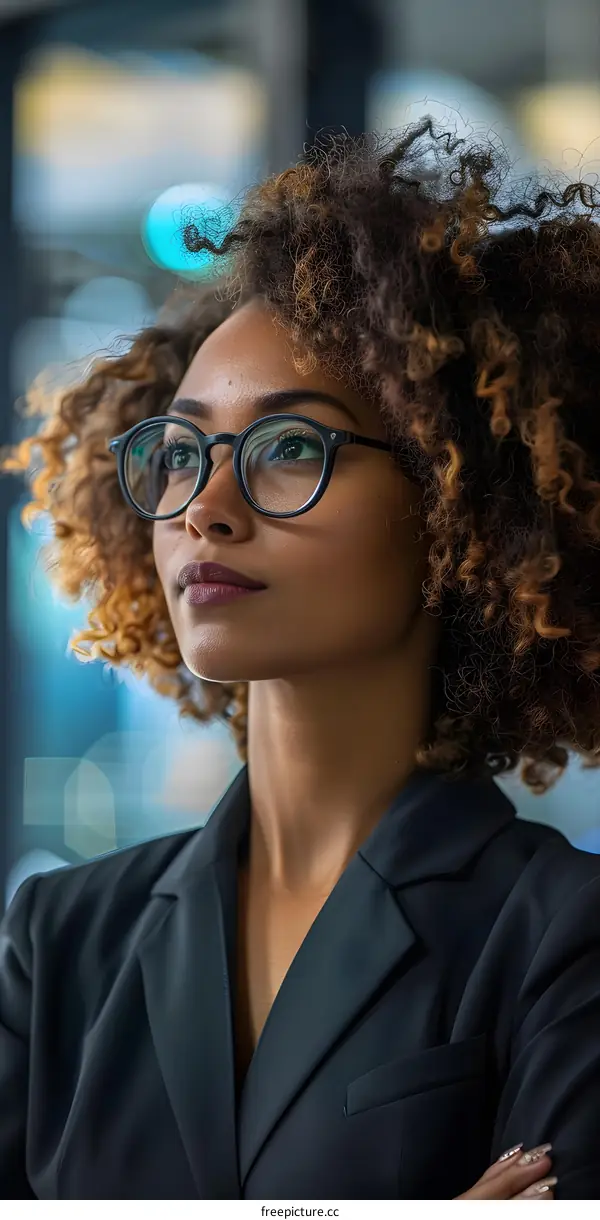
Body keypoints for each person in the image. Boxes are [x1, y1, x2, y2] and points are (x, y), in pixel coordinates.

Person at [1, 117, 600, 1200]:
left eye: (290, 449)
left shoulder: (561, 937)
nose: (205, 509)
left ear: (459, 502)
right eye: (181, 454)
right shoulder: (60, 942)